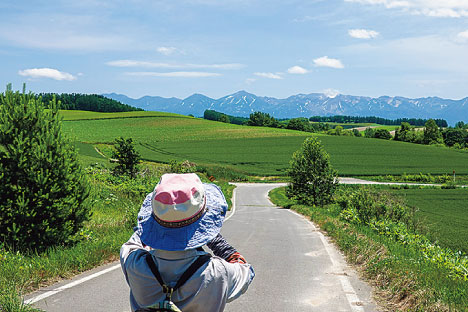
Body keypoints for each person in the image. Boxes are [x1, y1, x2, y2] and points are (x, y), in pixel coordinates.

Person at [120, 173, 255, 312]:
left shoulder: (134, 264)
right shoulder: (219, 272)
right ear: (201, 224)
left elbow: (134, 240)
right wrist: (215, 241)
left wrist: (151, 226)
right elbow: (246, 270)